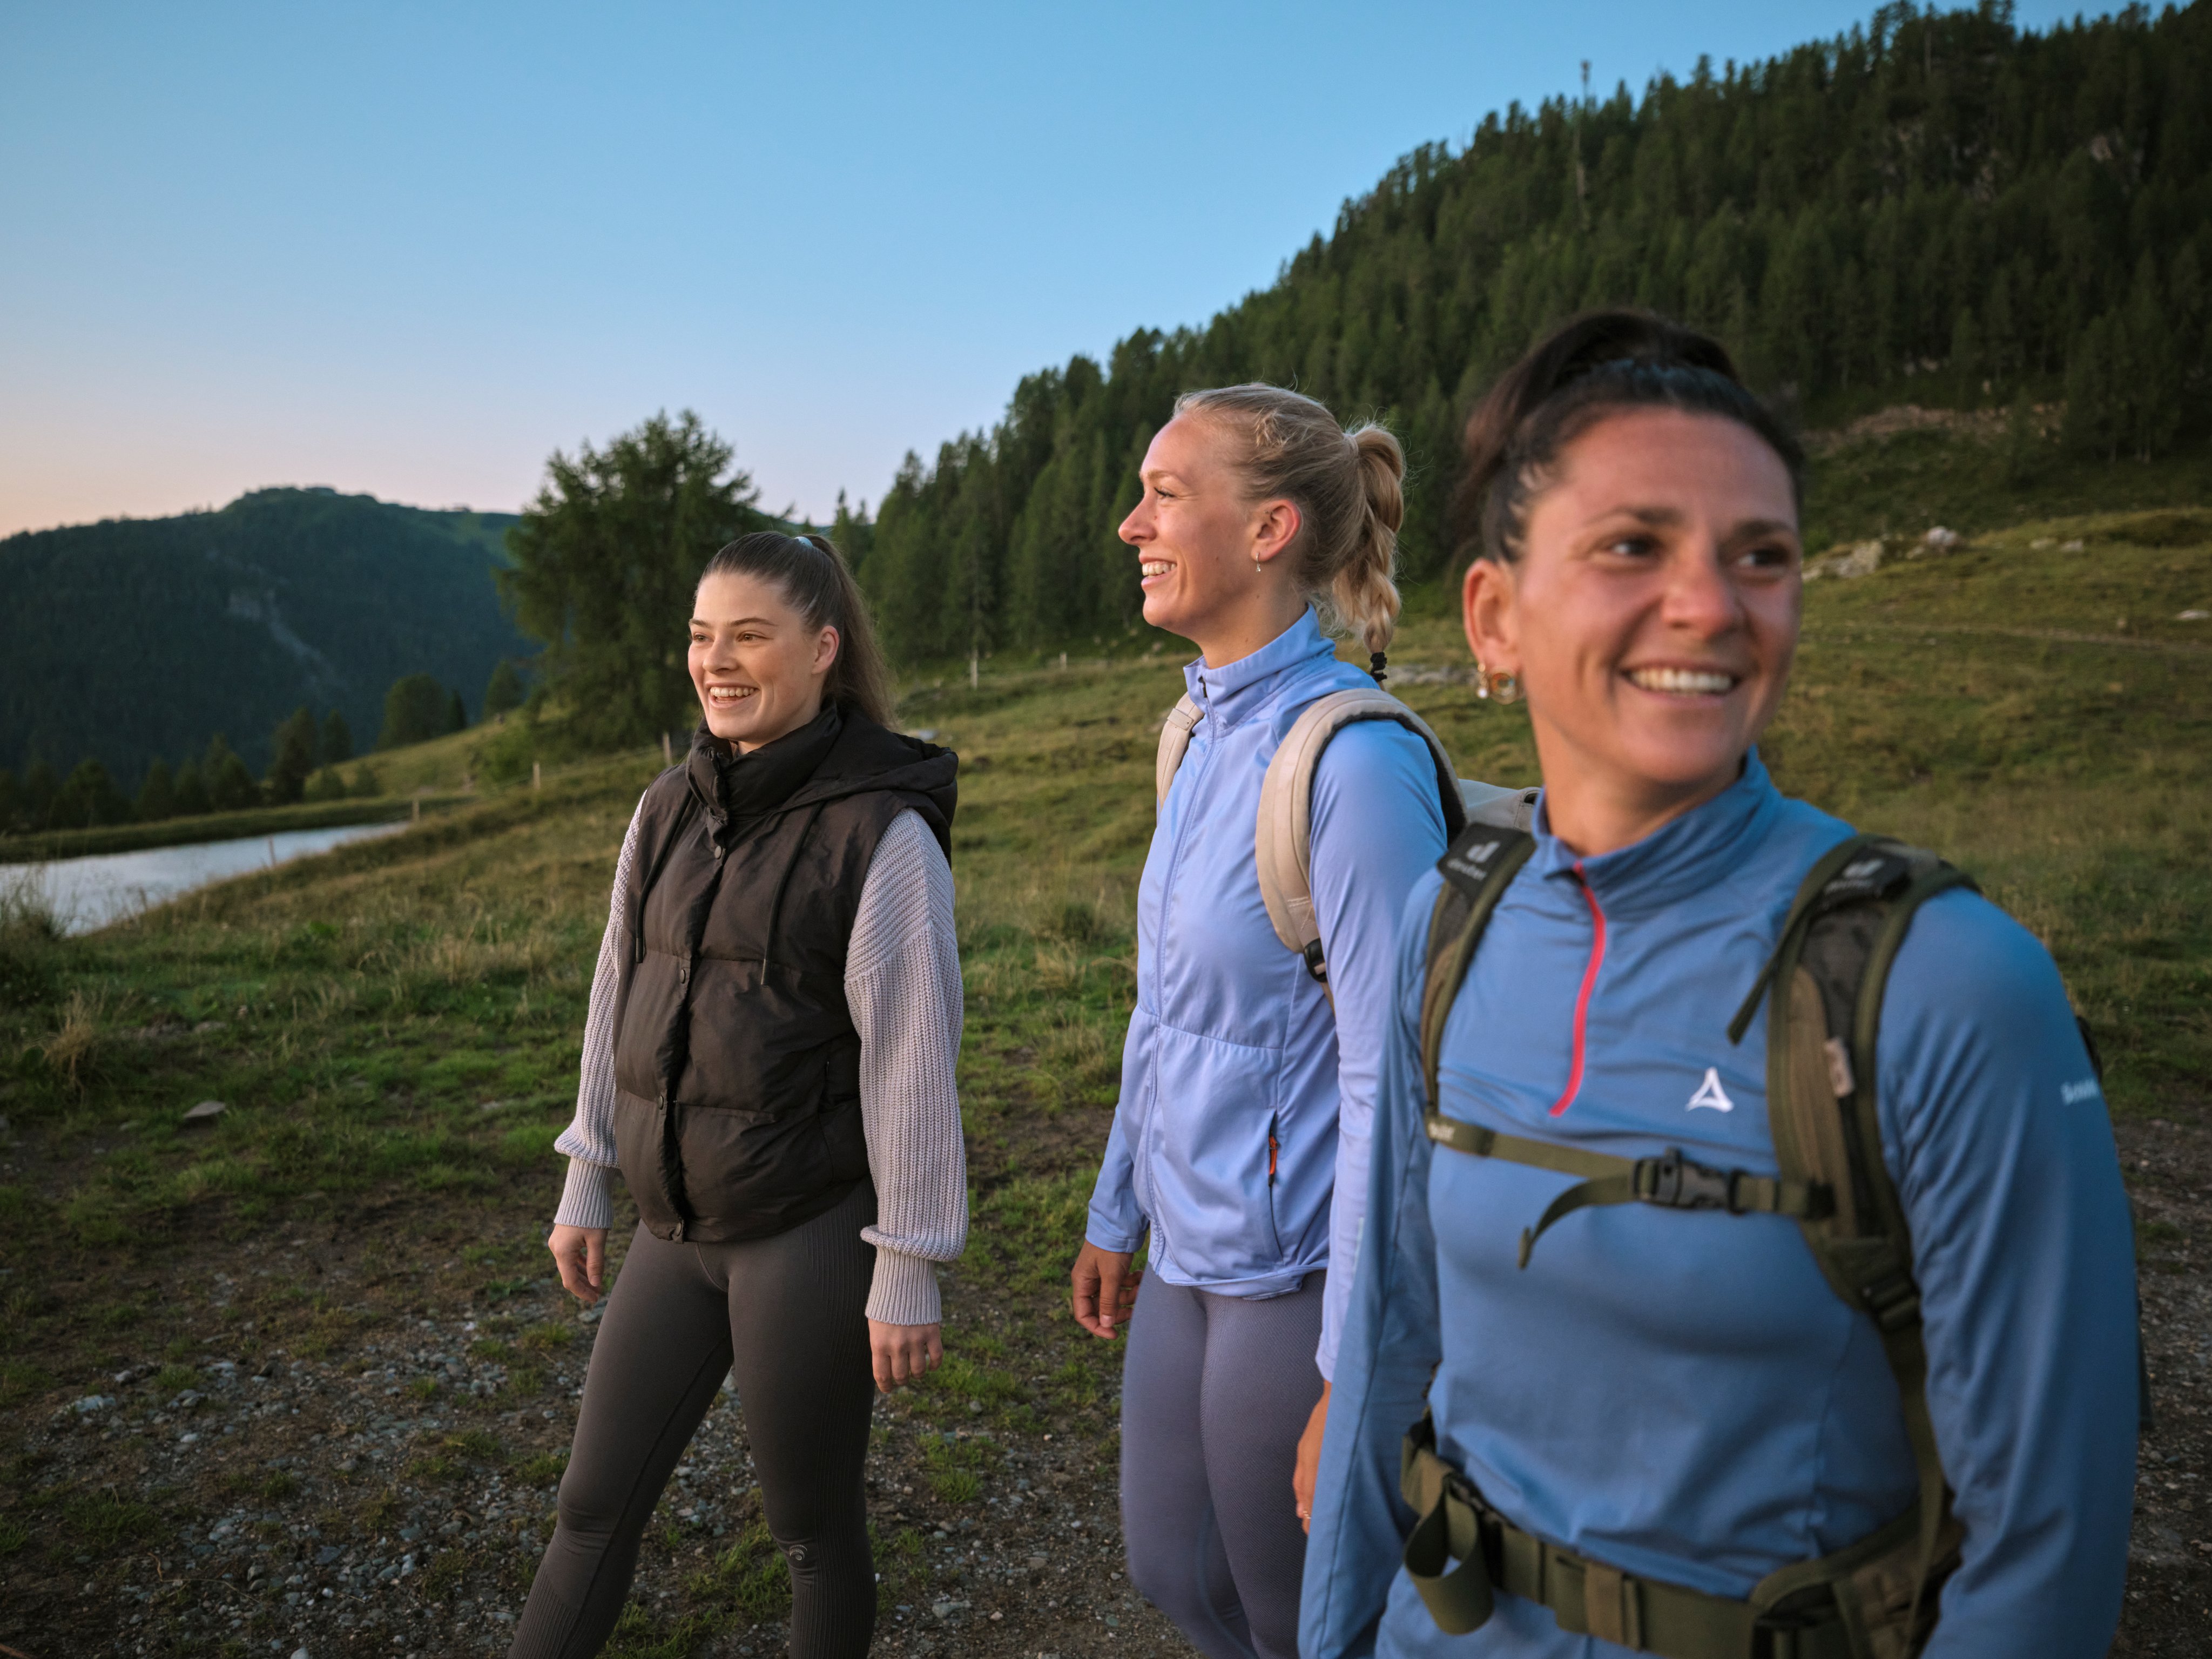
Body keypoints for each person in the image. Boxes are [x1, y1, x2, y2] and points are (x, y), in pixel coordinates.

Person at [1300, 312, 2140, 1658]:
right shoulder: (1443, 928)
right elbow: (1391, 1345)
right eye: (1632, 545)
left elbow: (2042, 1554)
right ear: (1492, 616)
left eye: (1760, 556)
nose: (1710, 604)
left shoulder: (1944, 987)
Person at [511, 532, 967, 1659]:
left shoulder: (882, 831)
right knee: (588, 1508)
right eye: (701, 637)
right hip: (675, 1226)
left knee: (810, 1533)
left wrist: (906, 1262)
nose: (716, 661)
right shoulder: (666, 806)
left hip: (803, 1231)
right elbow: (616, 989)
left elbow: (911, 1059)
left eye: (748, 637)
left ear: (821, 650)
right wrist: (588, 1173)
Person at [1070, 386, 1458, 1659]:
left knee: (1305, 1617)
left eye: (1165, 495)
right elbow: (1162, 1007)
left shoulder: (1350, 766)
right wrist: (1115, 1208)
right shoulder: (1193, 732)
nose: (1132, 523)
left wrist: (1355, 1373)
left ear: (1270, 528)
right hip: (1185, 1244)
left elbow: (1389, 1085)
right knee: (1172, 1573)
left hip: (1296, 1274)